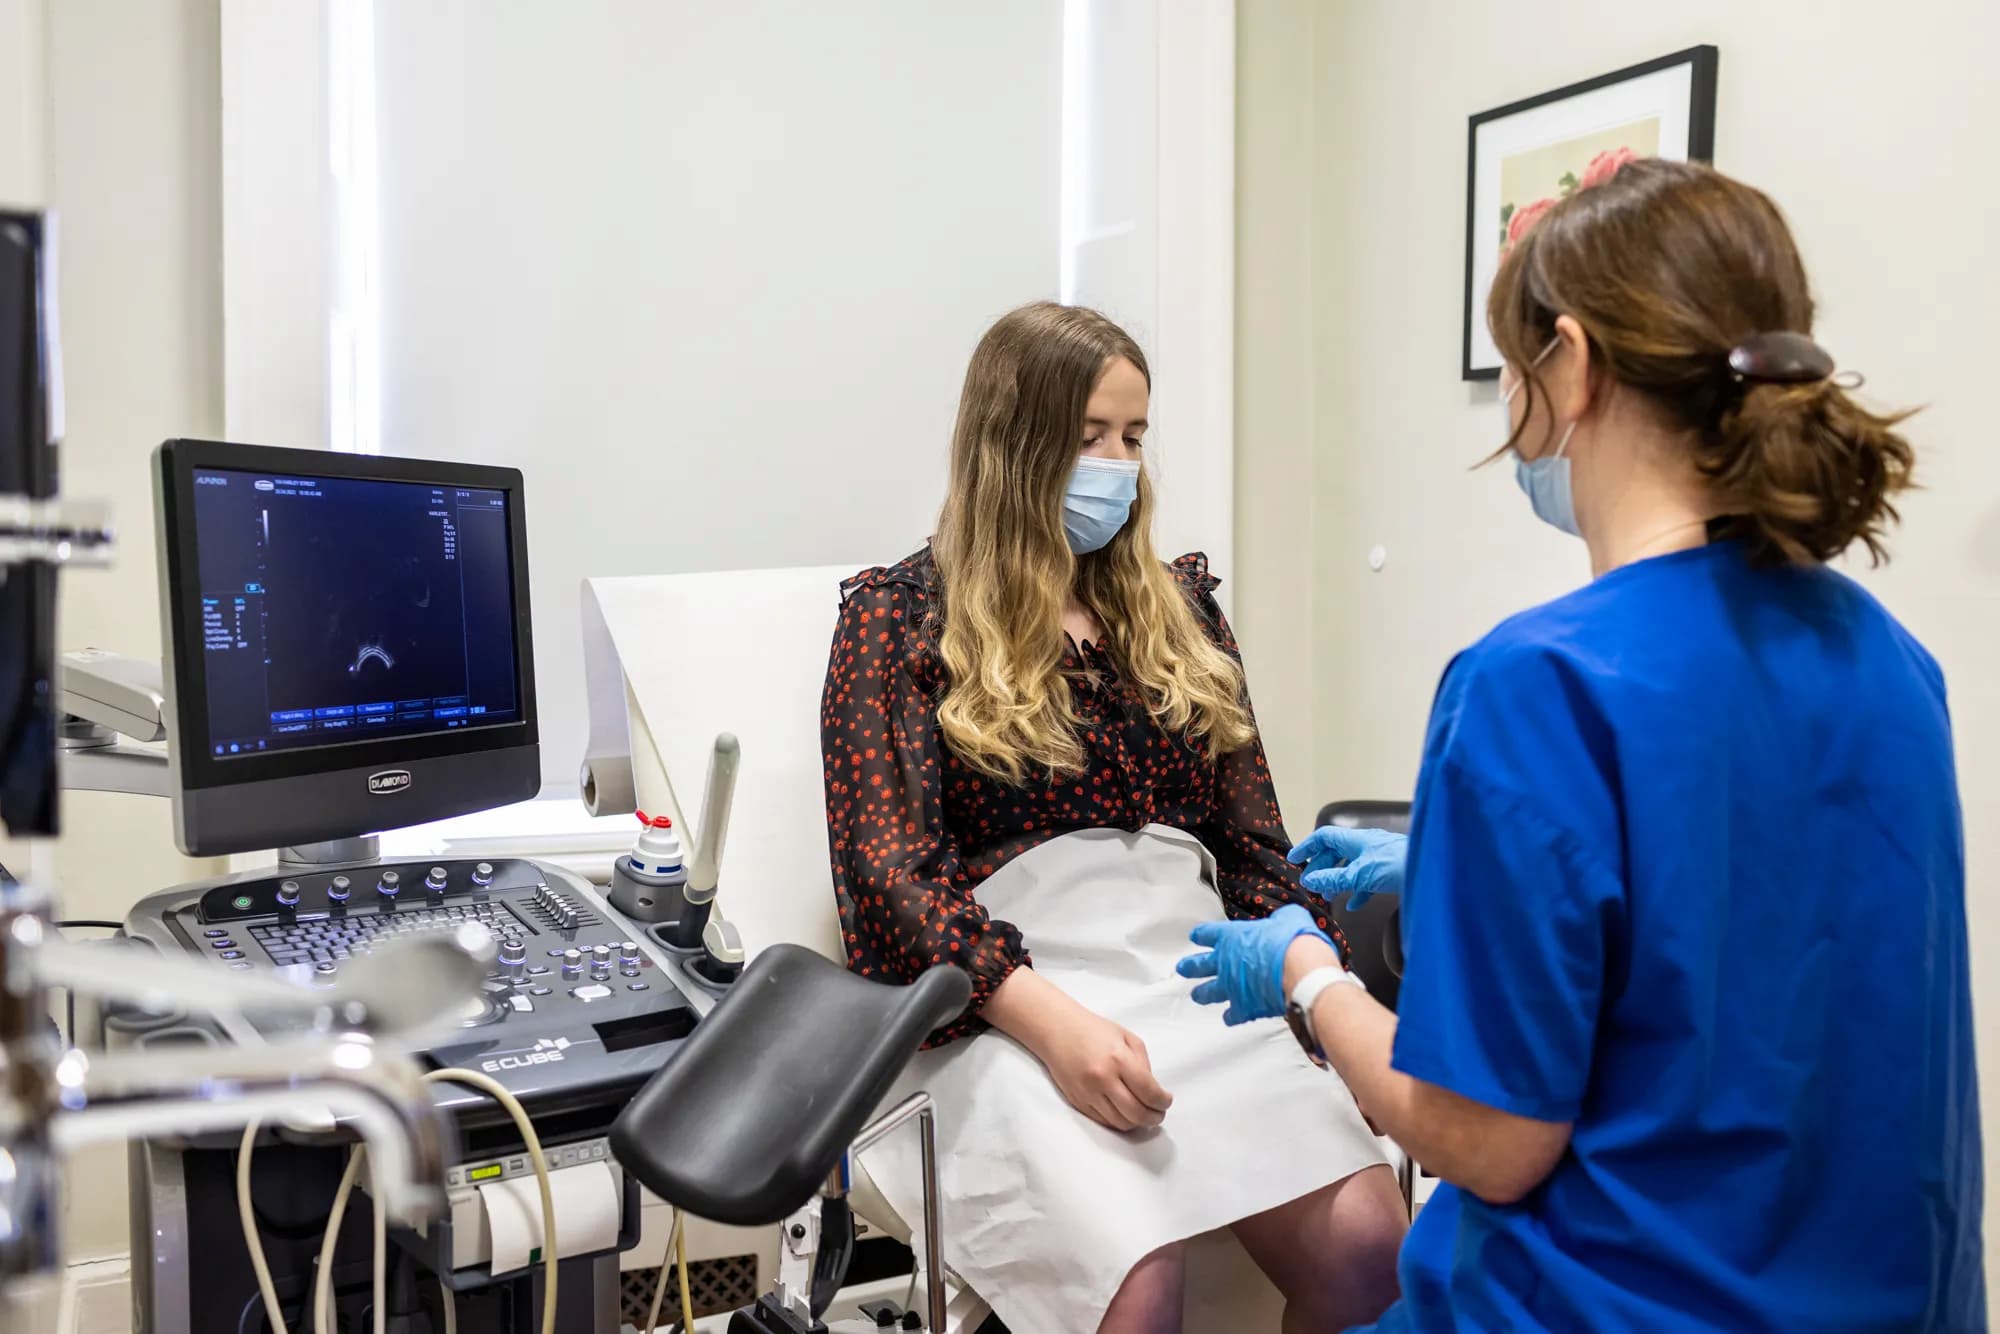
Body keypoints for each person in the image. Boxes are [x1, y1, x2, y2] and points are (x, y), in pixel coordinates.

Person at [1180, 158, 1985, 1331]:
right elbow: (1767, 920)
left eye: (1510, 368)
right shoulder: (1888, 659)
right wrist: (1469, 885)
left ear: (1570, 361)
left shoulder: (1535, 682)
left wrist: (1308, 978)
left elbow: (1484, 1140)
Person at [820, 302, 1406, 1334]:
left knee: (1371, 1244)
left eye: (1132, 437)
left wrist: (1319, 1004)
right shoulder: (898, 619)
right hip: (1001, 1006)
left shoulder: (1177, 614)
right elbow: (889, 877)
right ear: (1013, 442)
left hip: (1194, 977)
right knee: (1130, 1286)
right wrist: (1050, 1020)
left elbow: (1252, 846)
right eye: (1089, 436)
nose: (1116, 464)